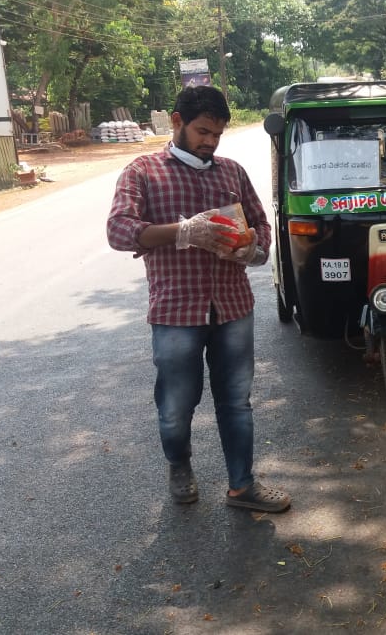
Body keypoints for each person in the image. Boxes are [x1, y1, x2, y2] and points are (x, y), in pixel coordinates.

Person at [106, 85, 290, 513]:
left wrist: (252, 249)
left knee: (236, 402)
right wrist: (181, 231)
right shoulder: (143, 173)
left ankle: (242, 486)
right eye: (203, 131)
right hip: (175, 311)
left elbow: (262, 228)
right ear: (176, 122)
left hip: (232, 307)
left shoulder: (232, 173)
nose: (210, 142)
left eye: (217, 134)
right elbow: (118, 231)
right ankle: (179, 465)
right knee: (176, 405)